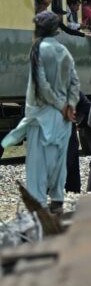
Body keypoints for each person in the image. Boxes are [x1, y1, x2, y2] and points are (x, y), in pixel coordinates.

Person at [1, 11, 80, 213]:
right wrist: (69, 105)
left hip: (42, 115)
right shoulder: (64, 51)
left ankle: (39, 208)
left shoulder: (38, 49)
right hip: (62, 118)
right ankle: (57, 201)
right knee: (57, 162)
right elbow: (74, 82)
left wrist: (60, 104)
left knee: (38, 165)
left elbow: (41, 84)